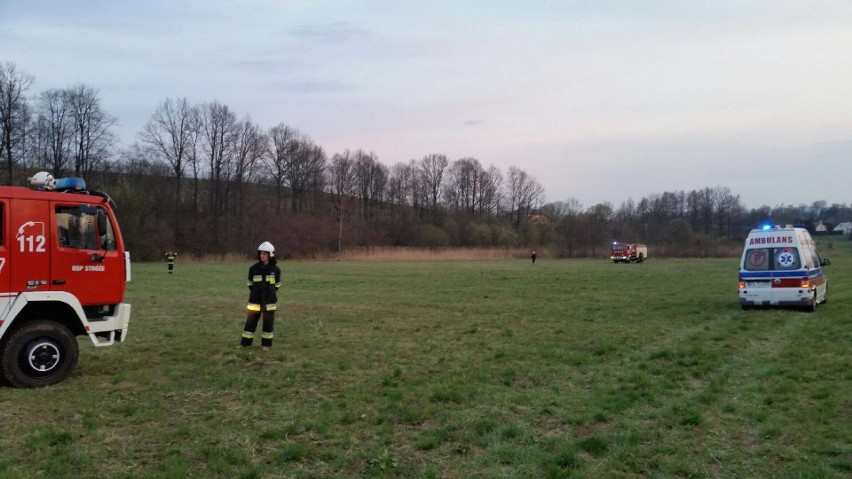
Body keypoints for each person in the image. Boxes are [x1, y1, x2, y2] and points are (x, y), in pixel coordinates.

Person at [240, 241, 282, 351]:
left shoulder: (275, 270)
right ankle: (245, 344)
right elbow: (250, 283)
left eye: (264, 253)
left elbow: (277, 284)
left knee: (268, 324)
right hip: (255, 301)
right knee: (250, 322)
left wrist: (270, 293)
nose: (262, 255)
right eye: (261, 253)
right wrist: (256, 293)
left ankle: (266, 345)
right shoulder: (253, 268)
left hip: (269, 301)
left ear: (270, 254)